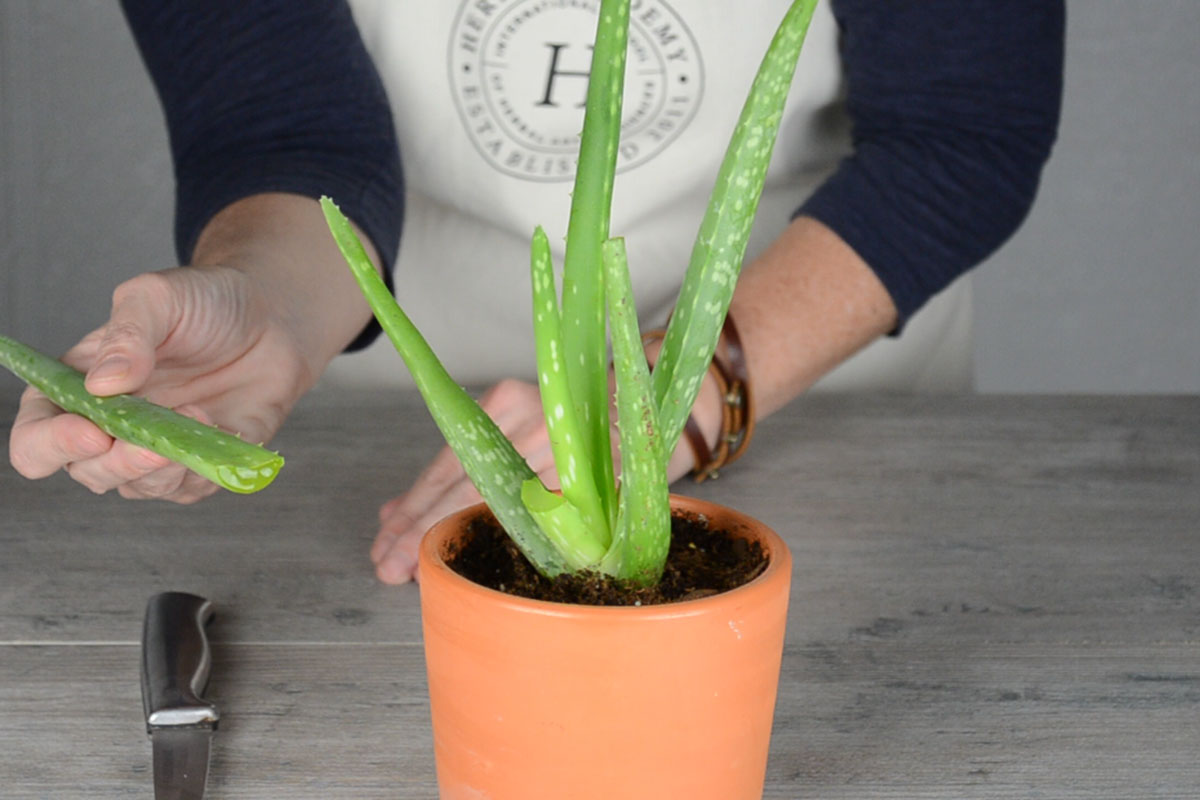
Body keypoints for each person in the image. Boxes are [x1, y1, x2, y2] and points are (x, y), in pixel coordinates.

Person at [7, 0, 1064, 584]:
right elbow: (286, 134)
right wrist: (266, 310)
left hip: (823, 392)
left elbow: (959, 136)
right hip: (398, 464)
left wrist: (668, 400)